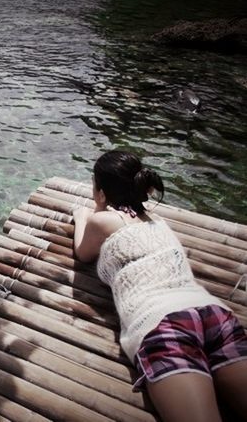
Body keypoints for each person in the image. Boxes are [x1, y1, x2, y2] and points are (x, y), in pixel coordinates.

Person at [73, 150, 247, 422]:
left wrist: (84, 215)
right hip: (212, 313)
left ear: (102, 192)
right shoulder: (158, 221)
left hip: (162, 323)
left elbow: (83, 252)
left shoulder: (103, 219)